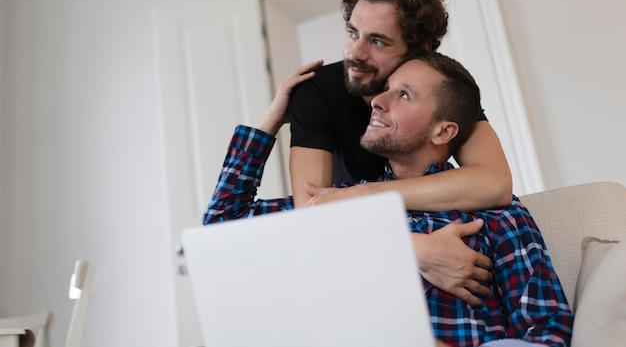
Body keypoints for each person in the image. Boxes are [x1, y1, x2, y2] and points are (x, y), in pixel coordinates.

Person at [203, 53, 573, 347]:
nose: (377, 101)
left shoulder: (496, 214)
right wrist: (271, 121)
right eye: (386, 89)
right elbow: (223, 224)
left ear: (443, 130)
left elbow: (547, 333)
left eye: (403, 95)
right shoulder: (339, 205)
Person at [288, 0, 509, 306]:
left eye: (377, 41)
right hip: (357, 259)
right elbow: (313, 216)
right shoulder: (317, 93)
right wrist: (413, 249)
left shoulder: (440, 90)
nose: (355, 54)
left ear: (419, 51)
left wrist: (364, 195)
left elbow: (495, 184)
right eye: (352, 33)